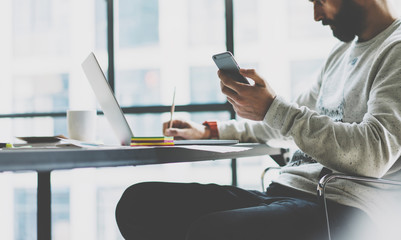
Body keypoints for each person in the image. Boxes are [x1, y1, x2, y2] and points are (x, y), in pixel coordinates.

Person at [116, 0, 401, 239]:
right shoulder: (341, 52)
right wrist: (208, 132)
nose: (316, 15)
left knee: (211, 231)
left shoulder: (395, 50)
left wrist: (273, 108)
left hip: (343, 208)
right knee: (139, 204)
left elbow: (373, 154)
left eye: (320, 1)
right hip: (286, 192)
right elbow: (286, 122)